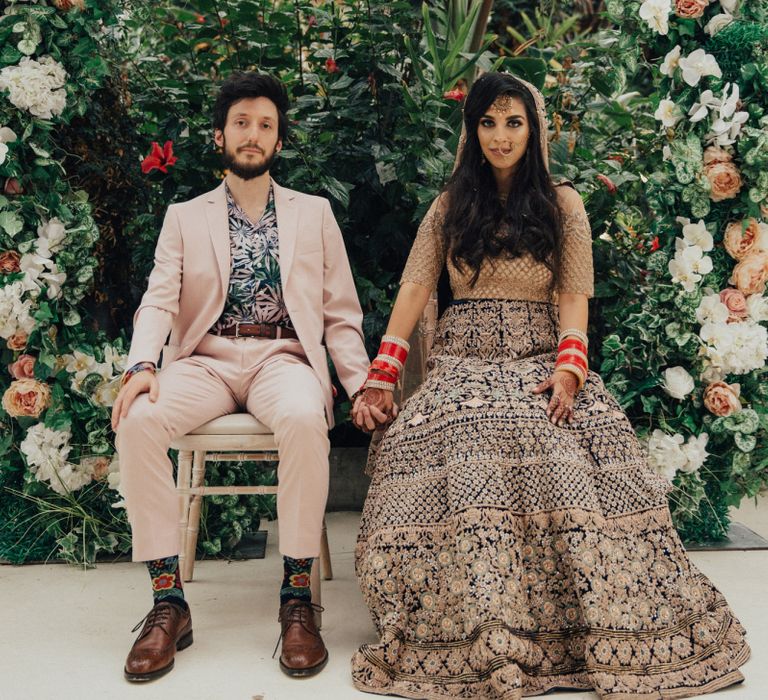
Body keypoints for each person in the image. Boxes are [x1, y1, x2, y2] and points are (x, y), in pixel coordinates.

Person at [350, 72, 749, 699]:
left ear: (534, 129)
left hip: (541, 356)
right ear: (472, 130)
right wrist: (383, 375)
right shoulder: (450, 204)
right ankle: (474, 618)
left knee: (557, 438)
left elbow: (574, 295)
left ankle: (572, 622)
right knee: (460, 432)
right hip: (463, 360)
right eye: (488, 122)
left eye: (514, 122)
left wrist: (568, 370)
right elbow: (415, 288)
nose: (501, 136)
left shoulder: (563, 203)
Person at [112, 71, 369, 682]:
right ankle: (168, 602)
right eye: (241, 123)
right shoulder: (185, 216)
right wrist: (143, 366)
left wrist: (359, 385)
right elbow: (158, 298)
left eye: (266, 125)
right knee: (139, 418)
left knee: (308, 417)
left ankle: (297, 601)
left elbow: (341, 312)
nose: (252, 135)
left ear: (279, 141)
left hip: (283, 359)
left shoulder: (315, 213)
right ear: (219, 135)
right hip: (204, 359)